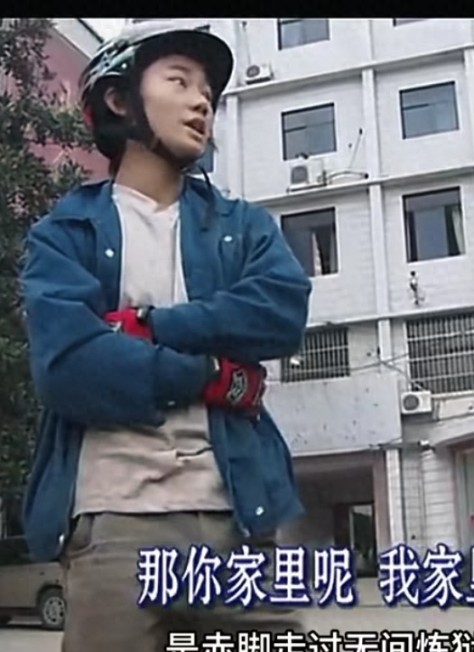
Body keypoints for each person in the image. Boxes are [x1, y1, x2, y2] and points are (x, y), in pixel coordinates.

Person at [19, 21, 312, 652]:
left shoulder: (243, 227)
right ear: (119, 100)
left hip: (239, 520)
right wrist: (209, 375)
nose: (201, 101)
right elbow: (69, 370)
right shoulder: (64, 235)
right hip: (115, 524)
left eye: (207, 91)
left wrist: (150, 326)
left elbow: (281, 313)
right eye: (179, 81)